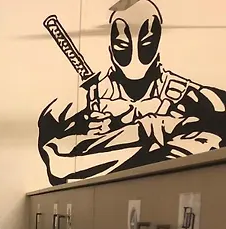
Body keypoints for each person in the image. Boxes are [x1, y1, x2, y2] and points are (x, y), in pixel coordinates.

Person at [38, 0, 226, 185]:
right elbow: (57, 162)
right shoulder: (82, 102)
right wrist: (83, 131)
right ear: (111, 46)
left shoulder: (189, 96)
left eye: (146, 42)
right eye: (123, 44)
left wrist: (153, 127)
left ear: (157, 42)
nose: (135, 53)